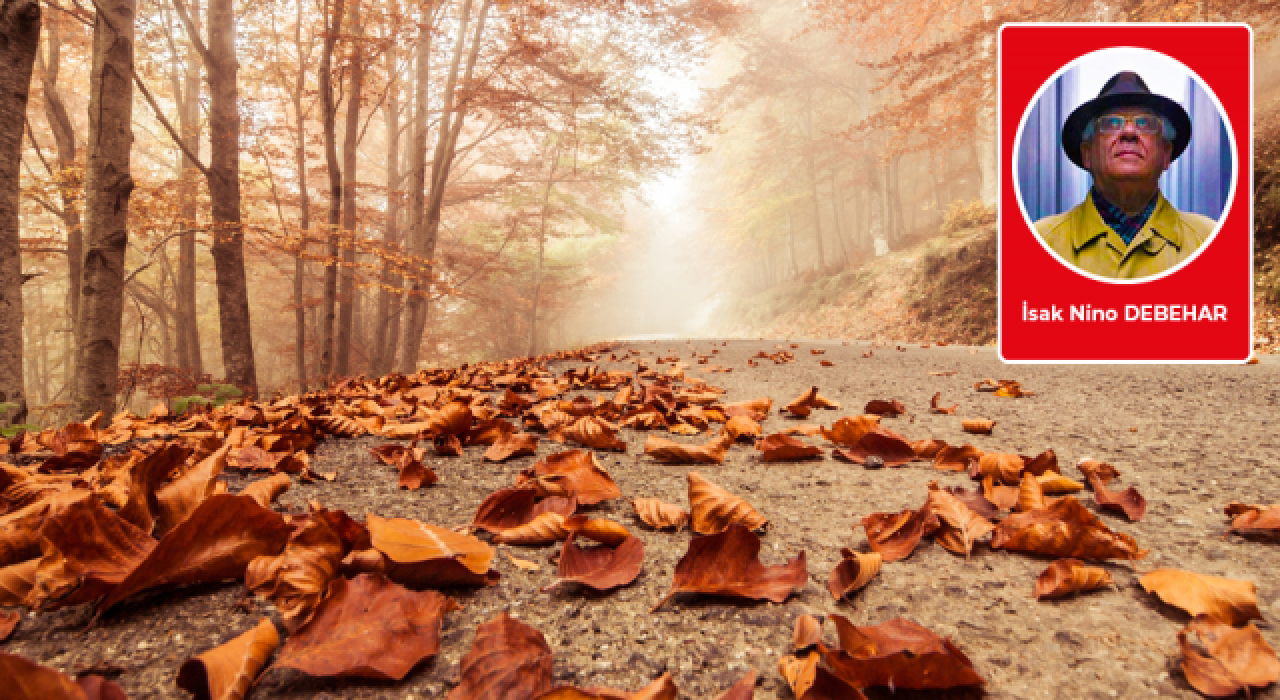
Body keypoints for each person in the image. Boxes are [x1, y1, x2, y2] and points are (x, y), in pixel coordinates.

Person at [1034, 71, 1215, 279]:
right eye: (1110, 123)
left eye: (1145, 123)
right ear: (1087, 154)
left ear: (1166, 154)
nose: (1129, 132)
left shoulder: (1209, 238)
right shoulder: (1040, 240)